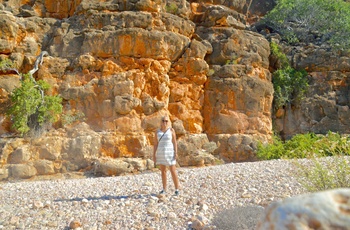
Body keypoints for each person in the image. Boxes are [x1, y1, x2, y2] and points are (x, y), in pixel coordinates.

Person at [153, 116, 180, 195]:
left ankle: (177, 189)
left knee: (173, 170)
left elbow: (174, 142)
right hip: (161, 153)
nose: (165, 122)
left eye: (166, 121)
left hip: (170, 153)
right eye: (163, 121)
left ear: (168, 122)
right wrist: (154, 155)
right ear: (160, 122)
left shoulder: (171, 130)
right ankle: (164, 189)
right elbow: (155, 144)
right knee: (163, 171)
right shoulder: (157, 132)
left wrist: (176, 152)